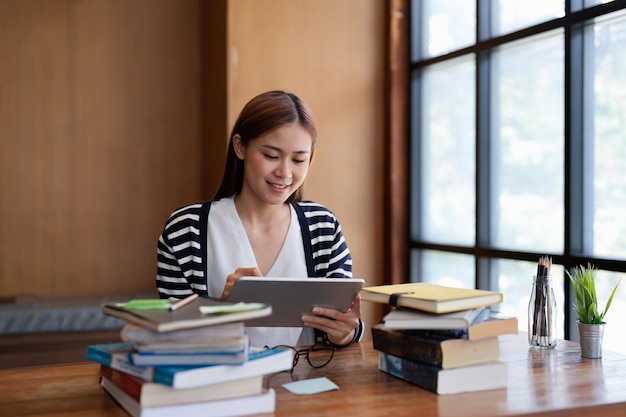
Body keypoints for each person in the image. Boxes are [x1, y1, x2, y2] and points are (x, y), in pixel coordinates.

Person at [156, 90, 363, 348]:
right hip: (222, 385)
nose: (285, 172)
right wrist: (222, 313)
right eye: (271, 156)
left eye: (299, 159)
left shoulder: (323, 228)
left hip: (308, 382)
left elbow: (347, 324)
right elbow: (167, 338)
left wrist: (344, 332)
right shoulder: (185, 231)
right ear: (240, 146)